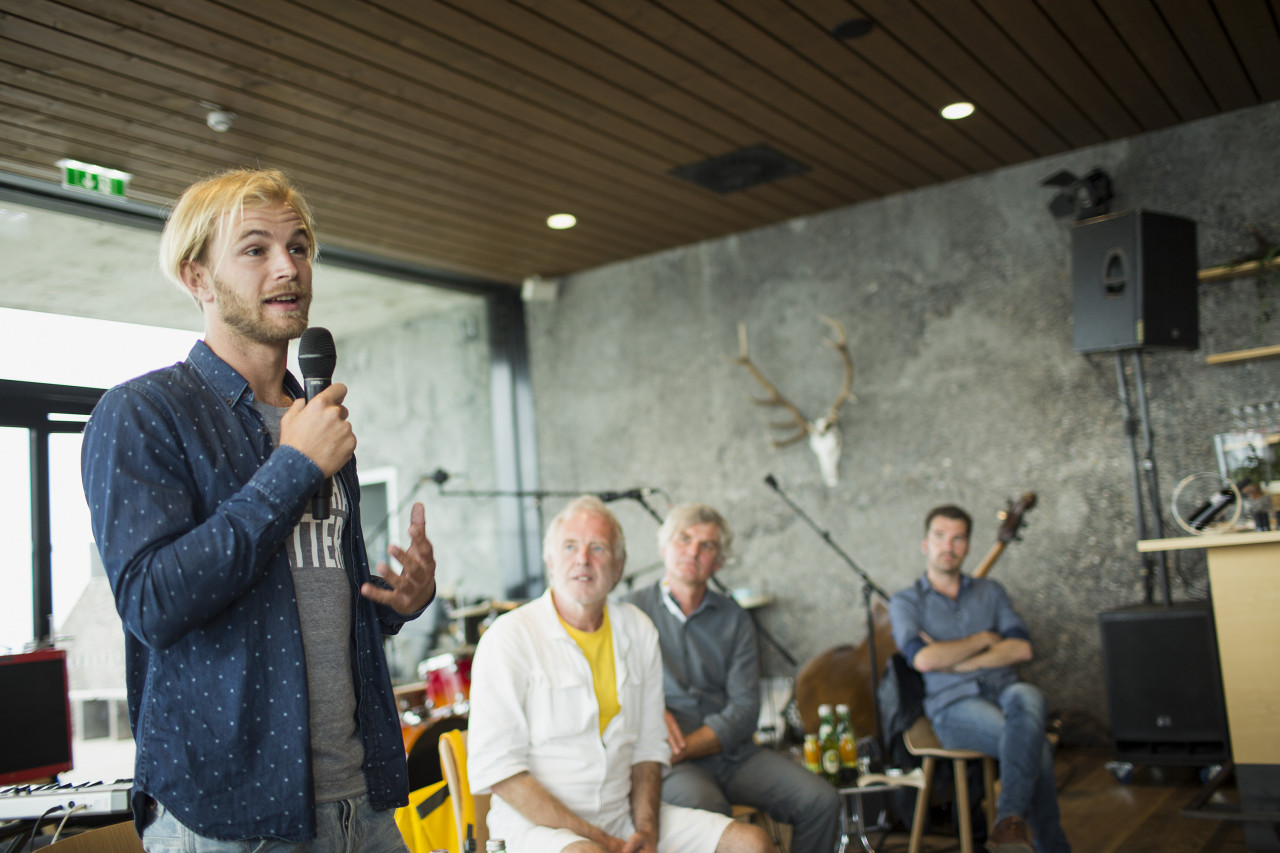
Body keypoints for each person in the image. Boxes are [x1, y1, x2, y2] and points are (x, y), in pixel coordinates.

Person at [81, 168, 438, 850]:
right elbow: (153, 603)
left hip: (361, 805)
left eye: (298, 246)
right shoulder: (142, 413)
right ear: (197, 278)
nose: (288, 266)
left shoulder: (316, 416)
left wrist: (395, 603)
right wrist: (293, 467)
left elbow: (298, 607)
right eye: (255, 248)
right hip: (233, 820)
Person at [466, 496, 771, 853]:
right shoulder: (508, 637)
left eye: (598, 548)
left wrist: (647, 831)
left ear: (618, 567)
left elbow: (648, 749)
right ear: (550, 560)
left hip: (621, 818)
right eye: (570, 546)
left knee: (752, 843)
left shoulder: (638, 629)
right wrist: (603, 842)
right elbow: (501, 772)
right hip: (536, 829)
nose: (583, 559)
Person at [624, 503, 841, 852]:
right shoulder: (629, 612)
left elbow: (744, 708)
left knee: (822, 801)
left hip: (731, 755)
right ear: (664, 547)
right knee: (710, 812)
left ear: (719, 562)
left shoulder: (734, 617)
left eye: (707, 545)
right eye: (684, 539)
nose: (693, 551)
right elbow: (614, 690)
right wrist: (653, 712)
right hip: (667, 764)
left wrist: (683, 748)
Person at [889, 505, 1069, 853]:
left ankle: (1008, 827)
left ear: (968, 546)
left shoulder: (991, 591)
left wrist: (956, 660)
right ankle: (1041, 842)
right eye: (940, 537)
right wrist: (985, 639)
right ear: (925, 544)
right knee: (1036, 745)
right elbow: (923, 659)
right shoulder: (906, 601)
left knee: (1029, 695)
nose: (948, 546)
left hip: (1004, 690)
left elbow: (1021, 649)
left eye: (958, 539)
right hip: (954, 704)